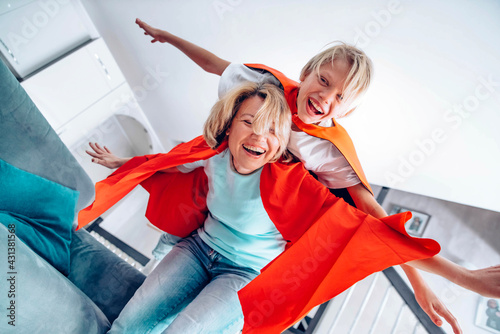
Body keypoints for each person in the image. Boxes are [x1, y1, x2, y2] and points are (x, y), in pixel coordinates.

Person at [132, 18, 500, 333]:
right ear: (306, 74)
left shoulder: (328, 150)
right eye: (323, 81)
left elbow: (375, 219)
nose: (326, 97)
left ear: (348, 111)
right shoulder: (265, 89)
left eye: (340, 97)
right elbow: (215, 64)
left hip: (254, 252)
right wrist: (169, 38)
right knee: (166, 256)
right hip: (209, 221)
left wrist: (423, 282)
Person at [80, 82, 443, 333]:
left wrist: (445, 280)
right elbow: (167, 163)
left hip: (245, 274)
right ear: (230, 127)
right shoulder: (214, 156)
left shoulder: (292, 181)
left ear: (281, 141)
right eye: (248, 122)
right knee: (129, 325)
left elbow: (371, 231)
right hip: (198, 249)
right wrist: (123, 163)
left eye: (270, 129)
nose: (258, 136)